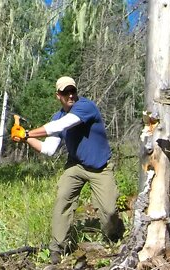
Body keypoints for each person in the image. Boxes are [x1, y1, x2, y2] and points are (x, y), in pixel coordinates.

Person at [12, 76, 124, 264]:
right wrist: (24, 138)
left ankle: (113, 234)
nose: (70, 95)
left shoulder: (85, 107)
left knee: (110, 210)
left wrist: (28, 132)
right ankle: (57, 247)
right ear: (58, 95)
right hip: (76, 165)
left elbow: (63, 125)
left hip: (100, 167)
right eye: (65, 92)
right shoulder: (58, 116)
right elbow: (48, 149)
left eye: (73, 91)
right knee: (63, 198)